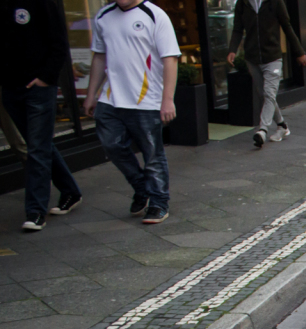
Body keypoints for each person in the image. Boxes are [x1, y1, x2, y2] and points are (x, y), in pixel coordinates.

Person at [84, 0, 180, 226]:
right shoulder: (103, 16)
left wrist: (167, 100)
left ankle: (158, 202)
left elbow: (170, 59)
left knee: (152, 154)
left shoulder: (155, 15)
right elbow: (99, 56)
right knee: (112, 145)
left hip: (146, 99)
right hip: (111, 98)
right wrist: (91, 94)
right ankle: (141, 187)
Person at [1, 0, 83, 231]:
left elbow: (58, 42)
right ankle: (70, 191)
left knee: (36, 149)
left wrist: (46, 78)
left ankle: (35, 212)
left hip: (38, 87)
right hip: (10, 88)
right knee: (39, 144)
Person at [228, 0, 306, 149]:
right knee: (264, 95)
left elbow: (287, 26)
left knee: (269, 93)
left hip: (273, 57)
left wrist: (299, 51)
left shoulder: (275, 2)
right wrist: (232, 49)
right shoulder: (243, 3)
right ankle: (282, 126)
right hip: (252, 59)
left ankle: (262, 130)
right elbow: (238, 28)